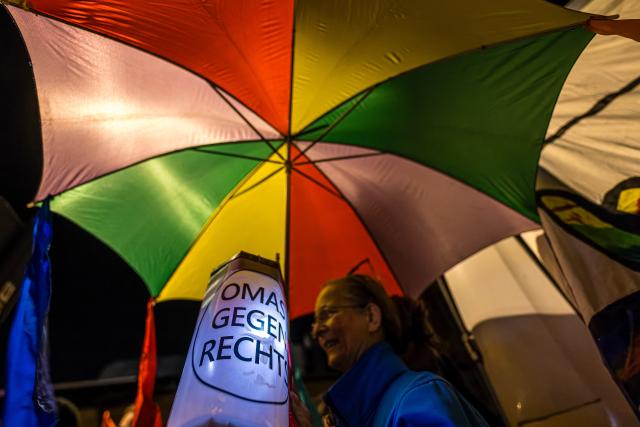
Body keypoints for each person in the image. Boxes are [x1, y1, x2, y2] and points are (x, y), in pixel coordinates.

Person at [290, 274, 489, 427]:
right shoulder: (357, 413)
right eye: (315, 322)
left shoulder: (420, 396)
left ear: (371, 317)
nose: (317, 331)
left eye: (328, 314)